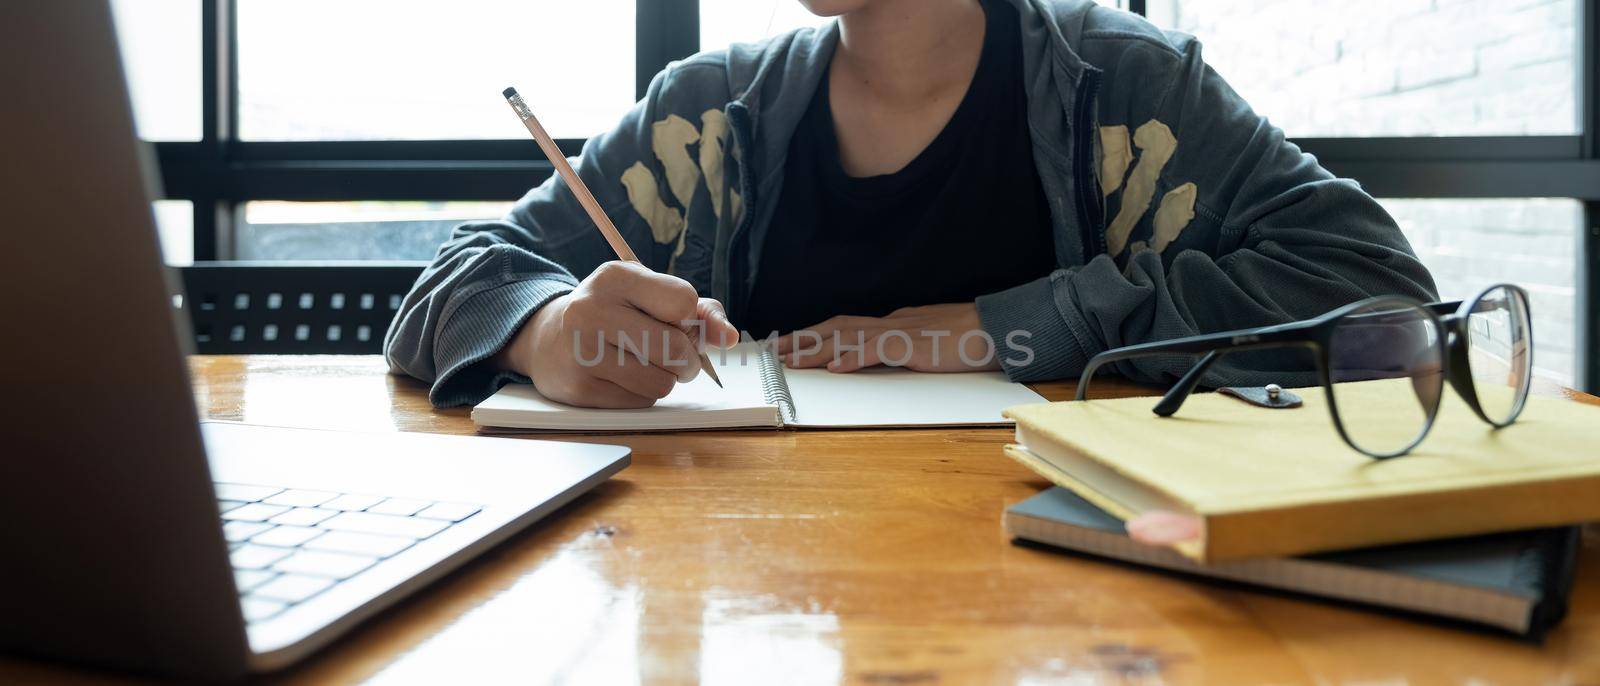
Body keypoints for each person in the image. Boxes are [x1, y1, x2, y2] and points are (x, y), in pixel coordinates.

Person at [384, 0, 1437, 409]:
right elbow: (448, 282)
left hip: (1084, 589)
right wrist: (547, 329)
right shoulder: (708, 113)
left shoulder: (1122, 88)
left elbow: (1383, 304)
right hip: (750, 578)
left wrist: (998, 331)